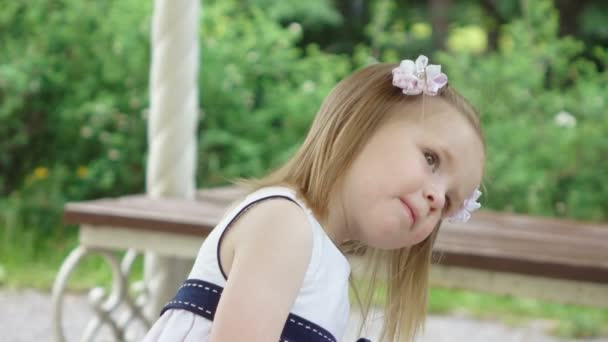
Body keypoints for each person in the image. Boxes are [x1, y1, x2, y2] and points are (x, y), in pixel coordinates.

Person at [142, 55, 486, 342]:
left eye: (450, 202)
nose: (436, 199)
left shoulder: (323, 259)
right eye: (431, 159)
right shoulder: (283, 224)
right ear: (359, 122)